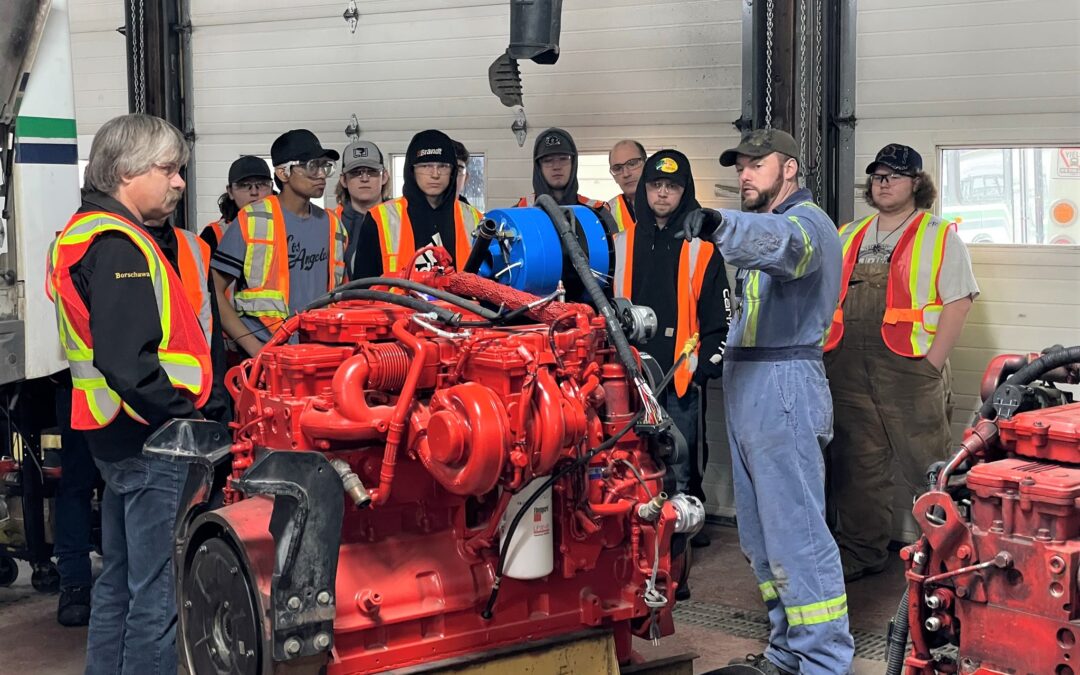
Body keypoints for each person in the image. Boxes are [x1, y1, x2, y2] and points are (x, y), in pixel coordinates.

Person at [46, 113, 229, 674]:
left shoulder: (80, 232)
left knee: (121, 584)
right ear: (127, 172)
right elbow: (128, 363)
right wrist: (186, 417)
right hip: (154, 442)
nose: (178, 183)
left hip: (112, 439)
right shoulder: (121, 244)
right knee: (157, 595)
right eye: (169, 169)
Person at [686, 128, 854, 674]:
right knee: (762, 539)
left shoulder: (809, 225)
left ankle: (825, 662)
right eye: (741, 166)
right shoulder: (768, 224)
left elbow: (782, 245)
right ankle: (788, 649)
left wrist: (718, 223)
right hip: (750, 382)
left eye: (758, 164)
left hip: (785, 386)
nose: (746, 173)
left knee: (797, 535)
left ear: (790, 169)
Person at [825, 143, 978, 581]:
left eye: (894, 175)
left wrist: (932, 364)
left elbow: (959, 302)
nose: (884, 182)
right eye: (877, 176)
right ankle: (861, 552)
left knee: (927, 468)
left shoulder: (939, 234)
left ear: (916, 183)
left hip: (911, 370)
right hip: (847, 367)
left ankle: (949, 560)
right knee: (856, 468)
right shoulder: (848, 234)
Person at [612, 150, 727, 551]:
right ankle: (636, 541)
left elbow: (721, 322)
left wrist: (702, 370)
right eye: (656, 186)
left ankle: (678, 549)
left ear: (685, 191)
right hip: (627, 380)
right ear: (644, 191)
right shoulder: (620, 244)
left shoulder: (704, 248)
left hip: (679, 381)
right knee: (628, 461)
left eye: (672, 187)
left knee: (681, 464)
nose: (663, 194)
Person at [211, 129, 348, 357]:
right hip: (267, 355)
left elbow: (343, 294)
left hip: (322, 354)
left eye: (325, 166)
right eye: (312, 166)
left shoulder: (334, 225)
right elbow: (213, 291)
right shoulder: (253, 220)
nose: (322, 175)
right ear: (284, 173)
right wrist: (254, 348)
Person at [350, 129, 483, 279]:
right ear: (411, 170)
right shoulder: (379, 219)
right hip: (395, 302)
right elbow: (362, 290)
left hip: (460, 303)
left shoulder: (475, 219)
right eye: (425, 165)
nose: (435, 174)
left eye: (443, 166)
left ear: (453, 171)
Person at [52, 370, 99, 627]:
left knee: (123, 486)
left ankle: (77, 585)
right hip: (79, 385)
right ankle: (74, 584)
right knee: (76, 483)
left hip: (126, 381)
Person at [516, 127, 607, 210]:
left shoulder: (596, 212)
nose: (556, 167)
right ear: (539, 167)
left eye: (563, 159)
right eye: (548, 160)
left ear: (573, 164)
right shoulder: (519, 212)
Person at [199, 155, 273, 256]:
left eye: (261, 184)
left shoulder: (288, 224)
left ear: (271, 188)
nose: (254, 192)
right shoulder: (213, 234)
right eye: (244, 185)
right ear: (230, 192)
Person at [335, 140, 389, 273]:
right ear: (343, 180)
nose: (364, 178)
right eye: (355, 172)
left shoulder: (401, 219)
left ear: (384, 177)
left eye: (372, 171)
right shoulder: (332, 224)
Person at [607, 140, 647, 233]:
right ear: (614, 176)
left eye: (632, 163)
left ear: (647, 165)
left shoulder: (668, 202)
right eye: (617, 168)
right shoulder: (607, 214)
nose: (626, 174)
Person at [452, 139, 471, 203]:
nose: (451, 177)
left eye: (457, 171)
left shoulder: (472, 213)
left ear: (465, 178)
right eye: (443, 168)